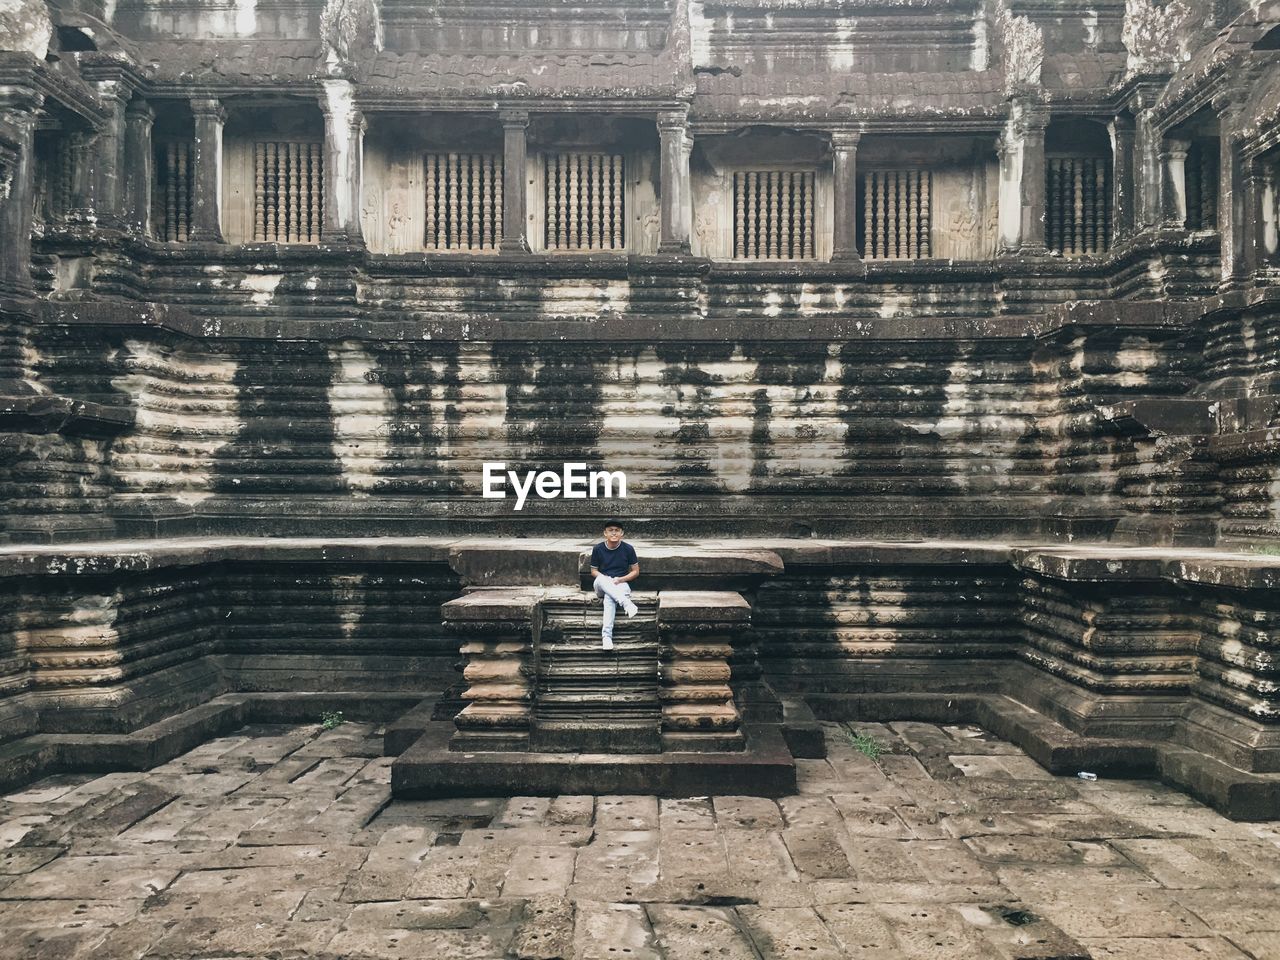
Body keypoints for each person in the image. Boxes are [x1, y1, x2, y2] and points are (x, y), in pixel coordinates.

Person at [589, 520, 639, 650]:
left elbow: (635, 571)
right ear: (605, 533)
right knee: (601, 579)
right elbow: (593, 571)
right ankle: (626, 603)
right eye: (610, 530)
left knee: (609, 597)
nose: (614, 533)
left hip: (620, 583)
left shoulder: (628, 549)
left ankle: (606, 638)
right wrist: (606, 578)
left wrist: (620, 579)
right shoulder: (598, 549)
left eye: (617, 530)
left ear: (622, 533)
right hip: (602, 584)